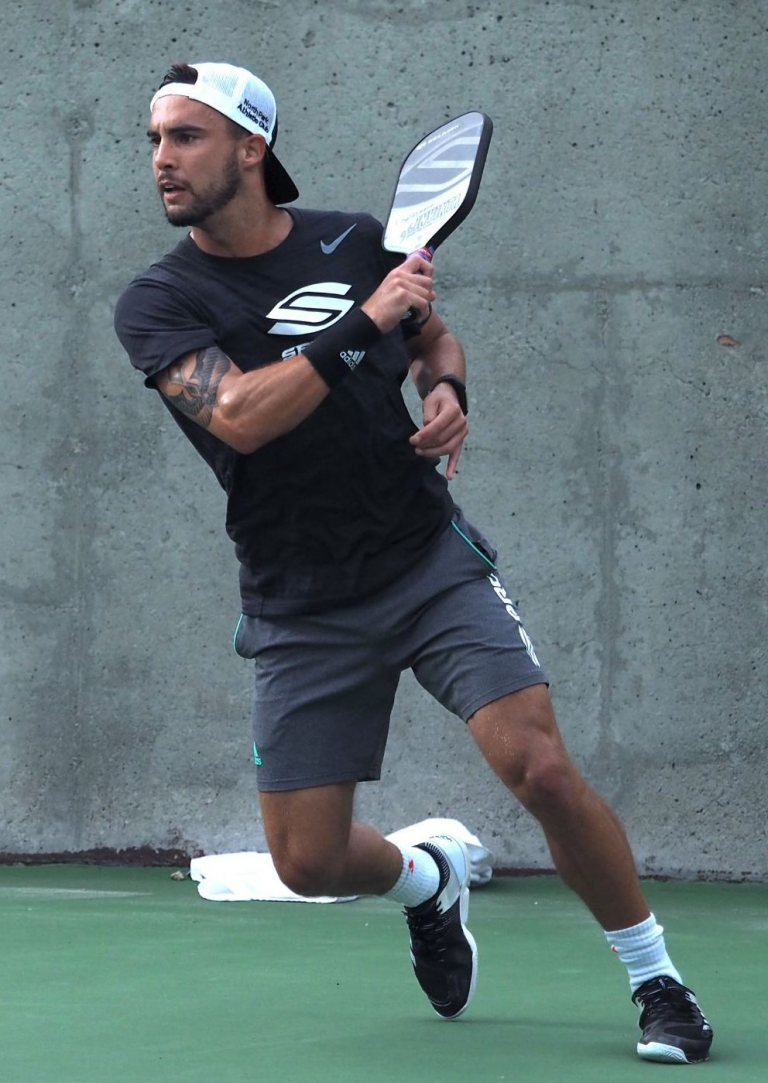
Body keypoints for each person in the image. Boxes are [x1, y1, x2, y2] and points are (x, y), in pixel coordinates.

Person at [114, 61, 713, 1064]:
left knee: (542, 767)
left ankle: (659, 982)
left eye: (186, 136)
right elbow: (239, 416)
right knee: (306, 863)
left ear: (250, 149)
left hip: (424, 560)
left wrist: (449, 393)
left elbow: (434, 337)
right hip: (298, 598)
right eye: (155, 141)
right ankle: (429, 884)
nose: (163, 160)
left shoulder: (356, 242)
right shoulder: (159, 300)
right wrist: (367, 327)